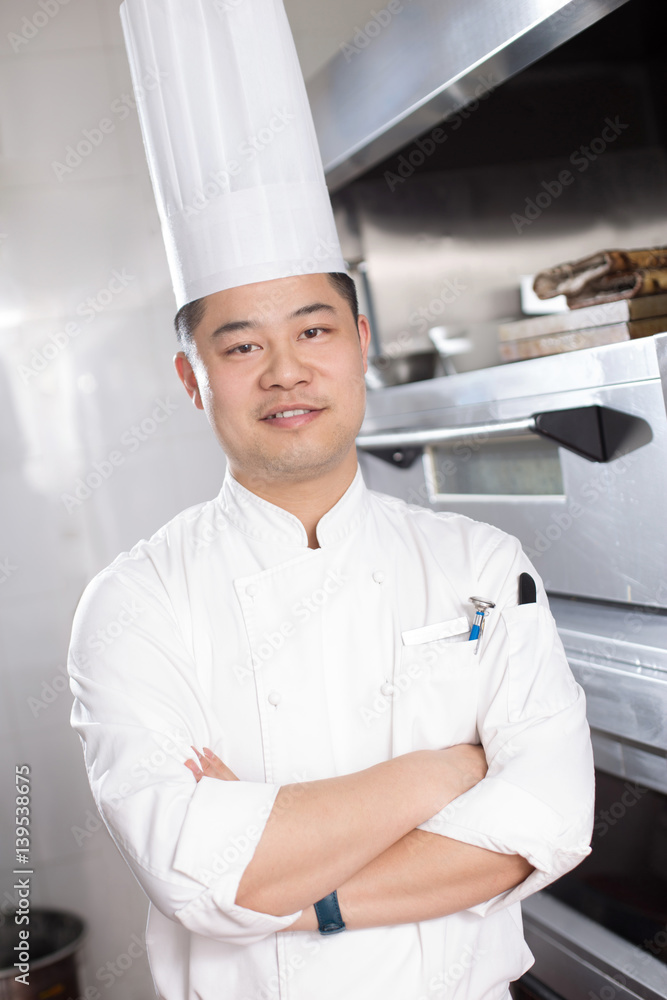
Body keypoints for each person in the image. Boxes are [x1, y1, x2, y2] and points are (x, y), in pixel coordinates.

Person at [68, 2, 594, 996]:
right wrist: (446, 772)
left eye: (312, 330)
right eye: (239, 345)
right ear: (192, 380)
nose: (284, 371)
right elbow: (199, 875)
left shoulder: (483, 565)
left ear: (358, 342)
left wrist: (296, 888)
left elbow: (552, 822)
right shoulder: (135, 603)